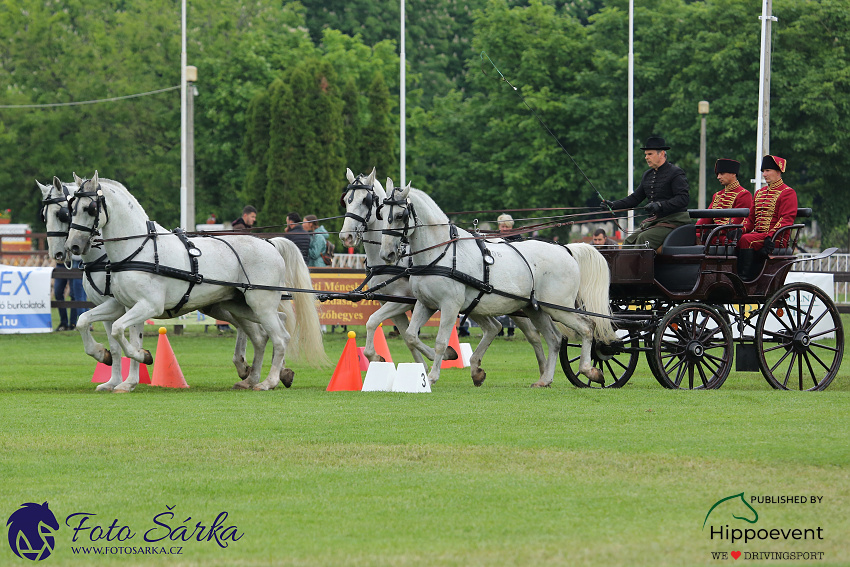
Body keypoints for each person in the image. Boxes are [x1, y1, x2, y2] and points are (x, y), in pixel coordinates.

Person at [601, 136, 691, 250]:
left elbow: (683, 199)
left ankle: (640, 268)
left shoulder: (675, 173)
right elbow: (635, 198)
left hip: (674, 221)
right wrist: (613, 205)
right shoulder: (647, 175)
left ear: (662, 154)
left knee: (643, 240)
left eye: (650, 154)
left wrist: (660, 205)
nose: (646, 157)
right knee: (628, 242)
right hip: (655, 223)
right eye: (645, 154)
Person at [737, 155, 797, 280]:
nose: (764, 174)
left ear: (779, 171)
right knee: (737, 238)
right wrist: (740, 230)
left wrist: (771, 235)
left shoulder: (787, 192)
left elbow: (786, 219)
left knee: (746, 240)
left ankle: (745, 279)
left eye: (768, 171)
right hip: (758, 236)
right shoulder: (759, 193)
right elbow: (751, 219)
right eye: (763, 171)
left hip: (776, 238)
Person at [696, 159, 753, 244]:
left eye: (721, 174)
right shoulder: (717, 195)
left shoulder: (743, 194)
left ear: (733, 174)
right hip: (715, 233)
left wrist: (715, 231)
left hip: (728, 235)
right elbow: (707, 218)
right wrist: (693, 229)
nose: (718, 177)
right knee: (690, 235)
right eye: (718, 174)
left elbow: (737, 221)